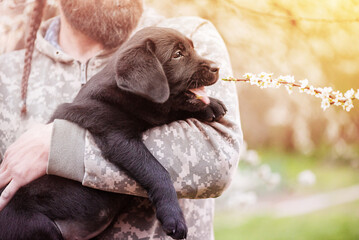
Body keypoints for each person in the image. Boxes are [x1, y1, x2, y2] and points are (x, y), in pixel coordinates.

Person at [0, 0, 243, 239]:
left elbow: (218, 159)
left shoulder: (189, 32)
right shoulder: (6, 72)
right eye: (180, 55)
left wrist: (61, 147)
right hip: (34, 219)